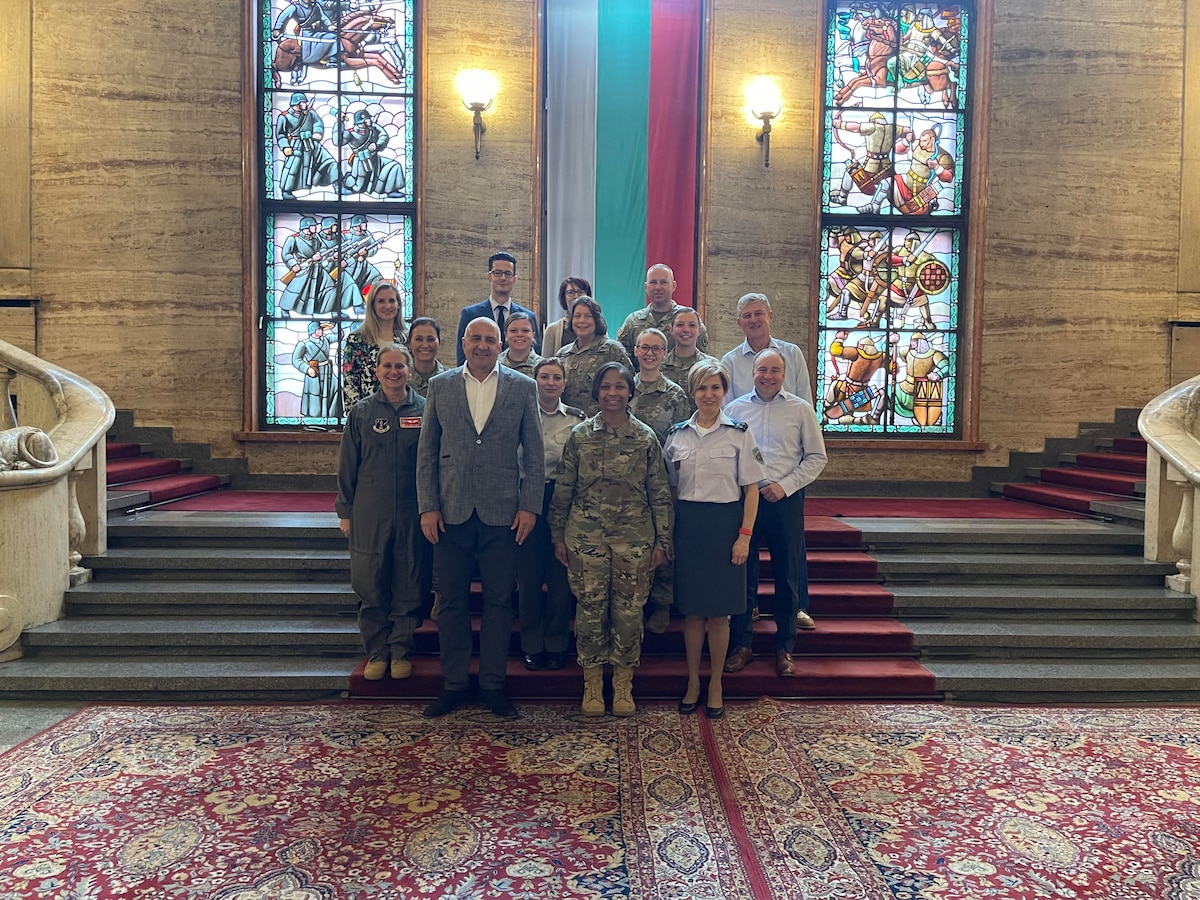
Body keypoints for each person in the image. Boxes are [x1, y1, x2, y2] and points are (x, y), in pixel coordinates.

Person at [417, 317, 544, 719]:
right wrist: (427, 506)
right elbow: (427, 453)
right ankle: (454, 683)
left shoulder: (523, 387)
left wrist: (530, 506)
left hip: (504, 513)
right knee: (451, 601)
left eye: (491, 339)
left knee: (500, 602)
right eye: (476, 338)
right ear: (464, 342)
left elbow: (536, 456)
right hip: (450, 511)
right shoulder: (440, 386)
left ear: (500, 342)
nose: (484, 345)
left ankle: (492, 684)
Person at [550, 362, 672, 717]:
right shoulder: (581, 435)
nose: (613, 393)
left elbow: (660, 492)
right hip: (585, 539)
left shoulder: (646, 437)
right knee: (589, 611)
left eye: (620, 386)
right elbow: (564, 489)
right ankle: (591, 684)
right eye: (606, 387)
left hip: (634, 540)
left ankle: (622, 684)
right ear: (597, 392)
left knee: (630, 613)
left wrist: (663, 542)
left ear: (630, 391)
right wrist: (557, 534)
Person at [663, 361, 765, 719]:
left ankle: (716, 683)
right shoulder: (676, 435)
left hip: (725, 527)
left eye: (716, 388)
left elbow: (751, 490)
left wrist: (744, 536)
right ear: (693, 392)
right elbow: (670, 492)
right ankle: (693, 681)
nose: (709, 395)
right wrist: (670, 535)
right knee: (691, 614)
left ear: (724, 392)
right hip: (689, 528)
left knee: (719, 616)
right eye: (702, 388)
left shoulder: (739, 434)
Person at [725, 349, 828, 677]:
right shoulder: (735, 409)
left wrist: (785, 485)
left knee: (786, 575)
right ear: (752, 372)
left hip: (784, 499)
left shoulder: (800, 410)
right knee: (744, 575)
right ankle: (742, 644)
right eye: (762, 370)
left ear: (784, 375)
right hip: (746, 501)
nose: (768, 376)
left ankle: (785, 647)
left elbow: (816, 457)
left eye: (775, 370)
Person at [336, 343, 431, 682]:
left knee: (409, 581)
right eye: (387, 366)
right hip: (369, 511)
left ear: (409, 370)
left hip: (411, 509)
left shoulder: (424, 409)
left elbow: (432, 462)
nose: (394, 372)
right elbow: (348, 465)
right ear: (377, 371)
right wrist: (344, 511)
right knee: (370, 582)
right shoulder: (361, 413)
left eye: (400, 367)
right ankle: (377, 651)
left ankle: (401, 649)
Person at [517, 358, 584, 671]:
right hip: (525, 500)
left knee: (560, 578)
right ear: (535, 380)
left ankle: (557, 643)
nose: (550, 382)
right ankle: (532, 644)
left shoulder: (576, 419)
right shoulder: (518, 414)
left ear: (564, 383)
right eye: (544, 376)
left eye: (557, 377)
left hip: (561, 500)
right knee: (529, 578)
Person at [629, 327, 689, 635]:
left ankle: (663, 604)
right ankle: (634, 604)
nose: (650, 353)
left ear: (664, 354)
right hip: (629, 480)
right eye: (644, 348)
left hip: (664, 479)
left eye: (656, 349)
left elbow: (682, 440)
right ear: (636, 351)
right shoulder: (625, 387)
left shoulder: (675, 394)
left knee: (664, 540)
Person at [720, 292, 813, 405]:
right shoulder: (730, 362)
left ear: (770, 316)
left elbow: (805, 402)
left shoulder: (793, 354)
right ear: (739, 323)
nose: (753, 320)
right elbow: (727, 410)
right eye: (747, 316)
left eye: (758, 313)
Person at [455, 252, 539, 365]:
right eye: (498, 273)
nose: (503, 278)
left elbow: (537, 355)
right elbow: (462, 357)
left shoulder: (528, 316)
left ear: (514, 279)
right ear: (489, 276)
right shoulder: (470, 314)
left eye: (508, 274)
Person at [616, 264, 709, 365]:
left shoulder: (688, 320)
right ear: (646, 287)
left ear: (673, 286)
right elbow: (623, 362)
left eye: (663, 282)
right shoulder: (633, 321)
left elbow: (702, 358)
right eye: (653, 282)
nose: (658, 287)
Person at [556, 296, 631, 415]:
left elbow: (629, 386)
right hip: (567, 423)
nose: (581, 321)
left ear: (597, 320)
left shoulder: (612, 350)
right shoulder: (562, 354)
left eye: (588, 316)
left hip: (602, 424)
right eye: (577, 316)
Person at [341, 283, 407, 409]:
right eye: (381, 301)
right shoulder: (357, 340)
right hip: (368, 414)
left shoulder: (407, 339)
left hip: (403, 412)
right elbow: (350, 383)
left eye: (392, 300)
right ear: (372, 306)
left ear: (398, 305)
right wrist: (356, 418)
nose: (387, 306)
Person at [275, 92, 338, 199]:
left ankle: (337, 185)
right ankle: (286, 191)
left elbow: (318, 123)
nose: (305, 104)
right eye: (303, 102)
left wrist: (318, 132)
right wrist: (285, 146)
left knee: (329, 161)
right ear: (297, 103)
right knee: (292, 168)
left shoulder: (310, 113)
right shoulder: (284, 117)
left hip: (312, 143)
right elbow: (281, 134)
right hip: (296, 144)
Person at [661, 308, 718, 417]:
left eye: (692, 325)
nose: (686, 330)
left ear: (700, 330)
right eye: (680, 325)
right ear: (671, 329)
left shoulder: (712, 366)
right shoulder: (659, 366)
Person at [340, 110, 407, 198]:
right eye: (367, 119)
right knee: (358, 187)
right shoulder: (351, 133)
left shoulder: (373, 128)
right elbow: (338, 140)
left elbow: (384, 135)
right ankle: (346, 181)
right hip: (361, 161)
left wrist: (377, 144)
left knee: (395, 166)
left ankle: (391, 190)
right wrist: (339, 123)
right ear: (361, 121)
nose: (369, 121)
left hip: (376, 159)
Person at [278, 215, 330, 317]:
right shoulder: (293, 239)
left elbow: (323, 247)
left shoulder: (316, 237)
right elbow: (286, 254)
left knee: (324, 286)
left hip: (316, 267)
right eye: (314, 226)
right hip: (303, 267)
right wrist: (293, 265)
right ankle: (285, 308)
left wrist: (320, 255)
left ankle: (318, 310)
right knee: (296, 288)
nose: (316, 228)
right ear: (307, 227)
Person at [293, 320, 339, 420]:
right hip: (314, 371)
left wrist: (332, 326)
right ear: (314, 331)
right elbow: (296, 360)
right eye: (320, 329)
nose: (322, 331)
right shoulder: (304, 344)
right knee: (315, 394)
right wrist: (307, 369)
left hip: (327, 371)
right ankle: (314, 418)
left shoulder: (326, 339)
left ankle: (331, 414)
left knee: (336, 387)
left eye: (322, 329)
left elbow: (339, 336)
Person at [541, 277, 592, 358]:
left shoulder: (595, 326)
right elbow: (546, 363)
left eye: (580, 292)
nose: (576, 296)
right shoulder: (552, 329)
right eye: (571, 292)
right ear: (563, 297)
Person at [406, 317, 445, 398]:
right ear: (409, 343)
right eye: (418, 339)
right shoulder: (400, 378)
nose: (425, 345)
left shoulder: (451, 379)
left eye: (430, 339)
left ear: (440, 342)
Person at [498, 311, 542, 378]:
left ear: (533, 335)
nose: (519, 334)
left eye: (525, 330)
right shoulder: (495, 364)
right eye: (513, 331)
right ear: (506, 335)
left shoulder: (543, 366)